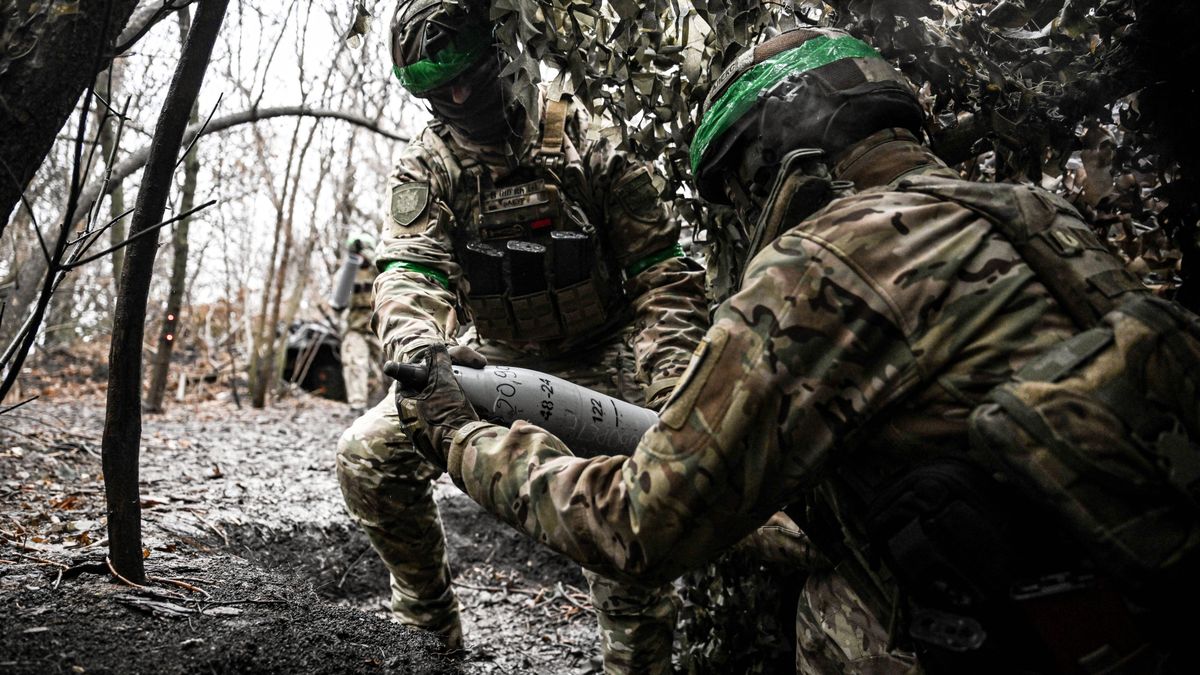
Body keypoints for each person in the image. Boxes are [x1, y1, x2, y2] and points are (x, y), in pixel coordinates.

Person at [398, 28, 1195, 673]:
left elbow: (636, 524)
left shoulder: (823, 263)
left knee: (831, 614)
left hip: (1038, 631)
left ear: (778, 159)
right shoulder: (1031, 212)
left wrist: (459, 434)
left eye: (740, 190)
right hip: (1150, 590)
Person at [335, 1, 709, 672]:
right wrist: (422, 350)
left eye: (466, 76)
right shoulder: (431, 168)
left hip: (607, 358)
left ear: (502, 52)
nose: (454, 96)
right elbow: (411, 272)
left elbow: (662, 275)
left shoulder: (589, 143)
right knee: (368, 457)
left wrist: (673, 387)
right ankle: (427, 631)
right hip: (496, 366)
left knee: (632, 546)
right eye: (434, 87)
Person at [337, 232, 383, 415]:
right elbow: (338, 301)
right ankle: (357, 405)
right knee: (354, 361)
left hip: (379, 324)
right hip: (355, 325)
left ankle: (383, 404)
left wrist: (372, 259)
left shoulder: (379, 268)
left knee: (385, 366)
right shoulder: (348, 272)